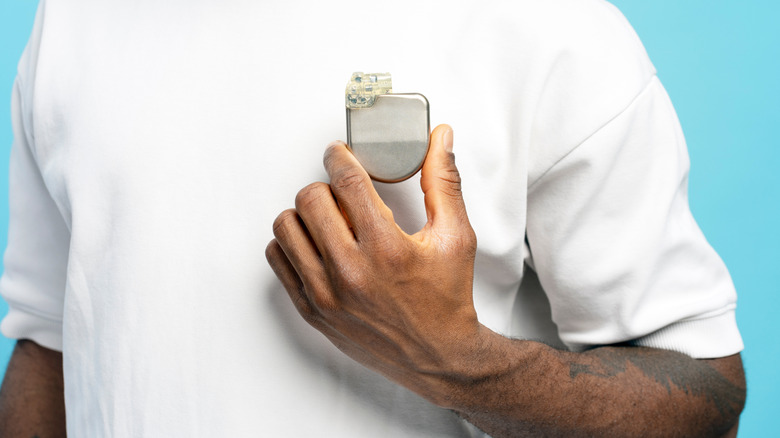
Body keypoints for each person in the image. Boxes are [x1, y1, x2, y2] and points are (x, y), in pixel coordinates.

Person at [0, 0, 745, 436]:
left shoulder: (549, 26)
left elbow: (706, 397)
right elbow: (52, 344)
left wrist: (456, 360)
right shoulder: (76, 18)